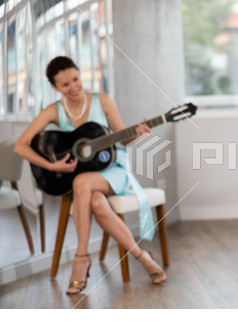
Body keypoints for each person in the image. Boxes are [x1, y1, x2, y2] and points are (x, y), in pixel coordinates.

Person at [14, 56, 166, 295]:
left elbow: (122, 137)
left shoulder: (103, 101)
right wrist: (51, 166)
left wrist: (136, 133)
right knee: (95, 199)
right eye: (65, 85)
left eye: (76, 79)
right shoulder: (54, 111)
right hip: (84, 175)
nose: (74, 87)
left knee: (81, 182)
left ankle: (81, 258)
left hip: (114, 171)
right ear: (55, 88)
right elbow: (20, 145)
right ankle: (142, 256)